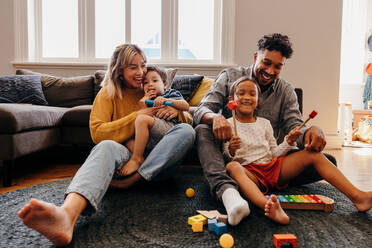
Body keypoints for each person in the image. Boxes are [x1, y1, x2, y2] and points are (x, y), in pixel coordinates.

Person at [17, 44, 195, 246]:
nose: (141, 72)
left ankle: (134, 179)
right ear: (119, 70)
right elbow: (97, 133)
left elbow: (188, 118)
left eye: (143, 65)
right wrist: (137, 116)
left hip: (161, 162)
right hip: (127, 158)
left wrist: (178, 113)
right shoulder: (108, 94)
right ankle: (66, 215)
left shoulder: (152, 85)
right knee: (105, 147)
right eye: (132, 67)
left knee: (187, 131)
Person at [193, 33, 337, 226]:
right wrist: (216, 117)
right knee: (203, 128)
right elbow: (201, 110)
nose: (270, 70)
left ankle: (251, 186)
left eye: (277, 66)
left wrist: (311, 132)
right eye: (266, 62)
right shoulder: (229, 76)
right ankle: (228, 191)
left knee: (328, 161)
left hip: (268, 163)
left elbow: (295, 126)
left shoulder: (285, 90)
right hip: (231, 162)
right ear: (255, 57)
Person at [224, 76, 372, 224]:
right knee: (233, 166)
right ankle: (268, 206)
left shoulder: (265, 124)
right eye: (241, 93)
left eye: (252, 94)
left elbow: (274, 153)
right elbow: (226, 156)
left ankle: (358, 197)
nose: (247, 97)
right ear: (232, 99)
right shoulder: (228, 124)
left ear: (258, 100)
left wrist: (289, 141)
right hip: (251, 175)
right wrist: (231, 149)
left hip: (272, 168)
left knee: (313, 155)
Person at [117, 65, 189, 176]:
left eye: (154, 81)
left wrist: (167, 100)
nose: (150, 84)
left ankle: (136, 159)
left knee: (142, 119)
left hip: (168, 129)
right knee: (127, 139)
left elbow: (185, 106)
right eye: (145, 83)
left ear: (164, 84)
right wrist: (142, 104)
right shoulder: (145, 98)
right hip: (150, 136)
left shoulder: (169, 93)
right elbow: (142, 117)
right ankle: (145, 162)